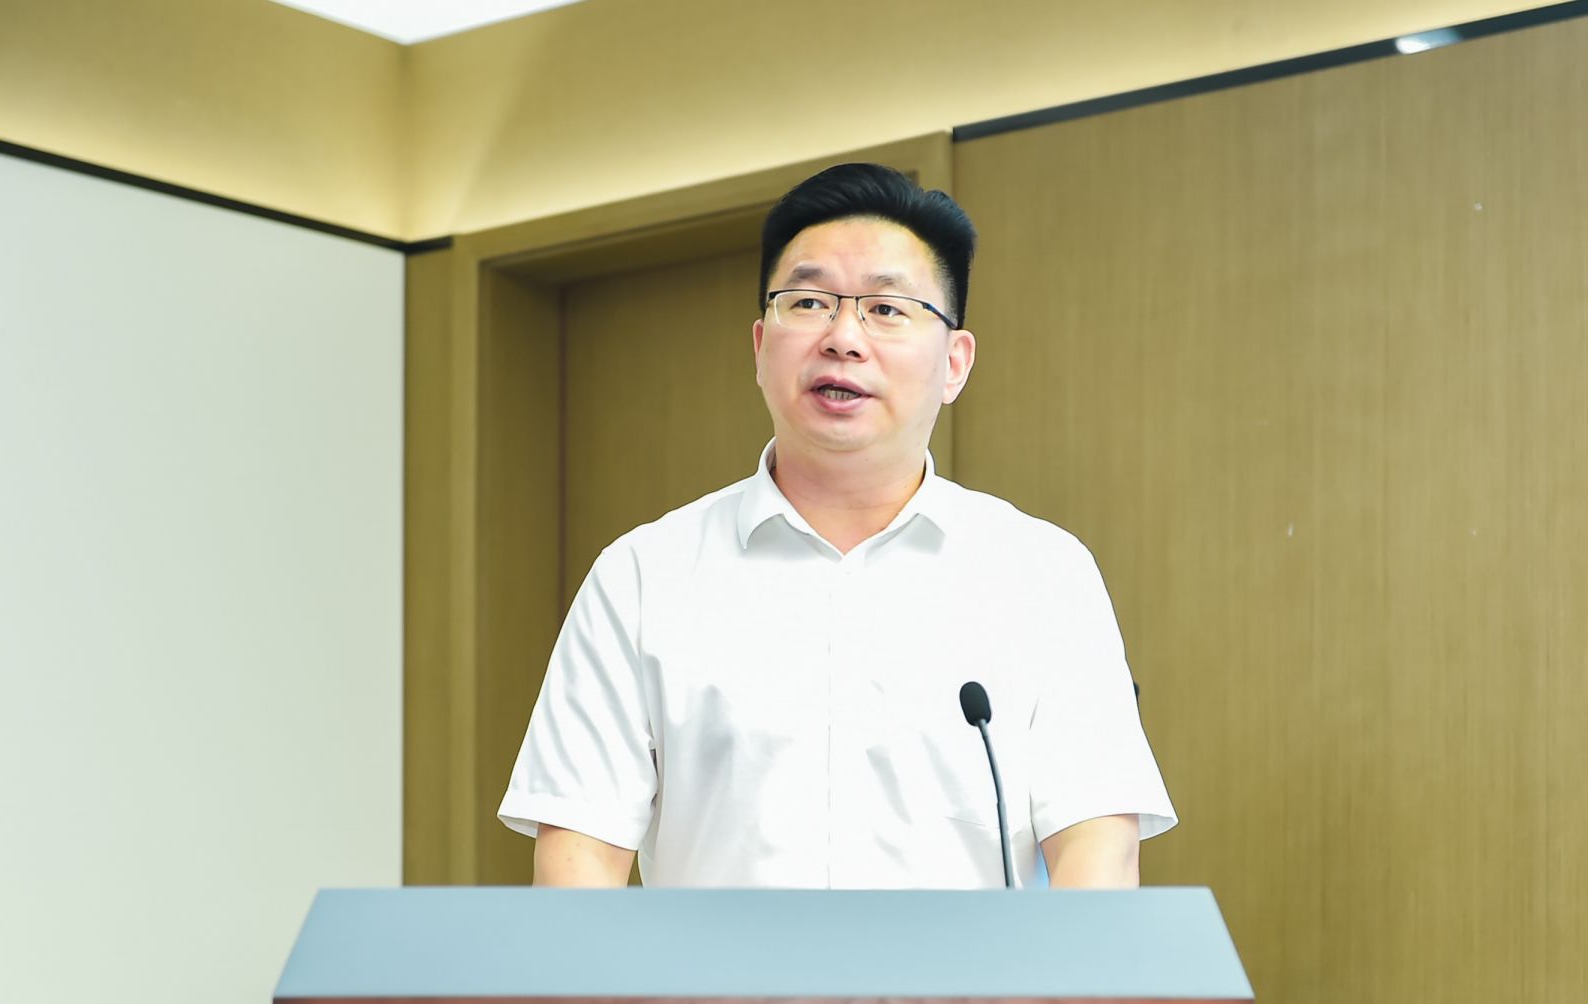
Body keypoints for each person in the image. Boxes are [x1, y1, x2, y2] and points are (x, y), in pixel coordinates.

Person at [498, 163, 1175, 889]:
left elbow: (1098, 854)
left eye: (887, 309)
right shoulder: (642, 577)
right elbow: (577, 862)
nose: (843, 337)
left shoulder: (1044, 574)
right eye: (809, 301)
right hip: (714, 973)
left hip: (967, 972)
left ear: (954, 363)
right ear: (760, 347)